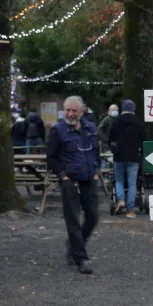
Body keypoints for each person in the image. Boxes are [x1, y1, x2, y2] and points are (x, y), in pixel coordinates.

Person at [47, 96, 100, 275]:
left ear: (82, 111)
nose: (69, 114)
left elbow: (96, 151)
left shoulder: (90, 128)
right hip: (70, 181)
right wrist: (63, 176)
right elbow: (52, 157)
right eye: (67, 110)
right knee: (73, 220)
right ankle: (81, 259)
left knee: (93, 217)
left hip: (88, 179)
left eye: (73, 111)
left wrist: (96, 170)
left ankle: (74, 245)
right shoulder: (57, 131)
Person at [109, 99, 145, 218]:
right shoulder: (138, 123)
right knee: (132, 183)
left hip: (119, 156)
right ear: (133, 109)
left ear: (123, 108)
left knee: (119, 180)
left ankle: (121, 200)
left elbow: (110, 139)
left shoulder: (116, 122)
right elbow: (144, 140)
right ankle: (130, 210)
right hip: (134, 157)